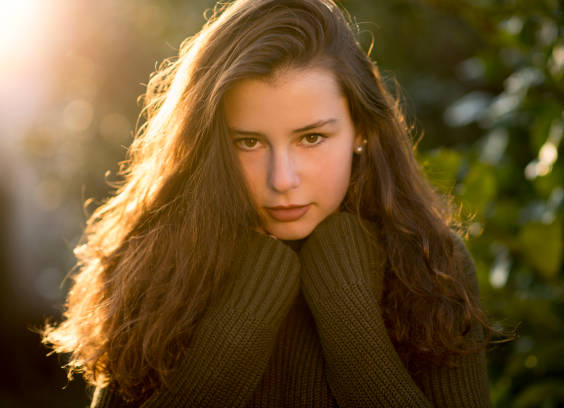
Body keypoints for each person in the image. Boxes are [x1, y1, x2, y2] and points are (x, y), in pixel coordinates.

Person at [43, 0, 497, 406]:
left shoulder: (429, 266)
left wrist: (348, 307)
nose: (282, 180)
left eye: (312, 137)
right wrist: (245, 308)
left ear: (361, 129)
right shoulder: (159, 265)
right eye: (250, 142)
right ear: (211, 143)